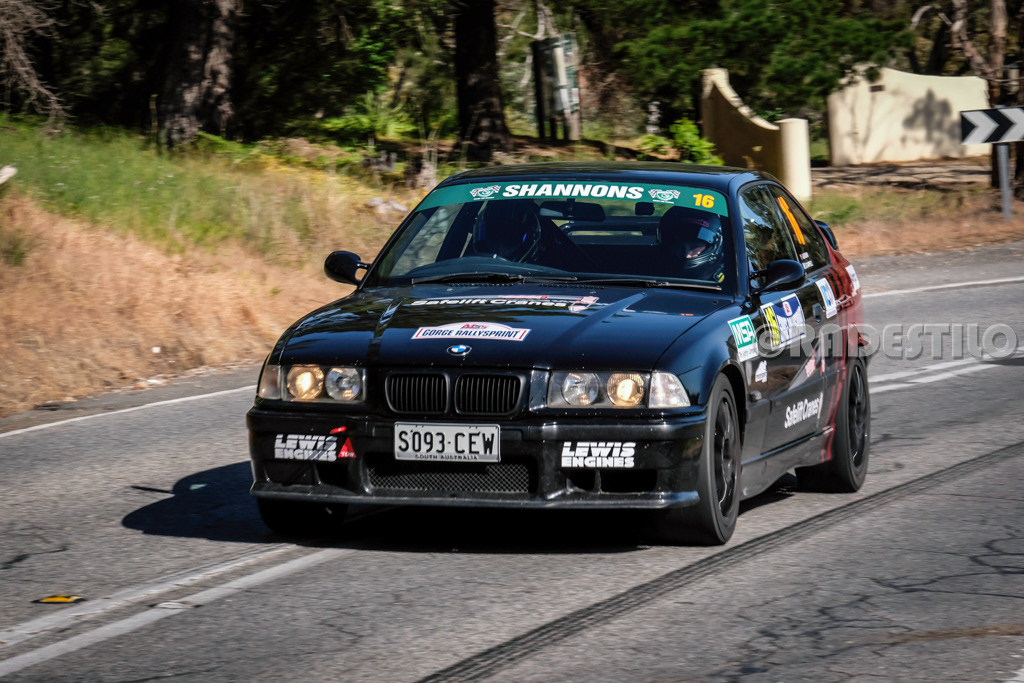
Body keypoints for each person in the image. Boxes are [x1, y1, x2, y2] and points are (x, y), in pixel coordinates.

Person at [657, 206, 725, 281]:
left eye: (694, 247)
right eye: (680, 247)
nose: (687, 255)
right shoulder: (651, 271)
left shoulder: (732, 277)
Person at [472, 199, 543, 262]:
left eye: (508, 244)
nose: (499, 250)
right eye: (493, 243)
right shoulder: (469, 266)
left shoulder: (545, 271)